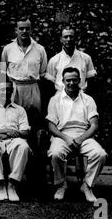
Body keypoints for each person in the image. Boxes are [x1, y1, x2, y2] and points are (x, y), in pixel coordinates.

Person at [46, 67, 107, 202]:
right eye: (68, 80)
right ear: (63, 81)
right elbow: (51, 125)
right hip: (62, 135)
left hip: (84, 135)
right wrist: (66, 138)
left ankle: (87, 186)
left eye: (74, 80)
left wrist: (80, 139)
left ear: (80, 80)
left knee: (100, 154)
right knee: (56, 153)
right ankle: (61, 185)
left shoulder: (88, 99)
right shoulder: (55, 100)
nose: (71, 83)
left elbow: (94, 125)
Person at [0, 81, 31, 202]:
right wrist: (5, 131)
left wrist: (12, 133)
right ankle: (0, 185)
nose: (6, 92)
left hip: (14, 139)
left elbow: (25, 132)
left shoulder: (20, 110)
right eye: (3, 90)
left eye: (9, 90)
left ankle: (12, 184)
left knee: (23, 146)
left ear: (12, 91)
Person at [1, 16, 47, 129]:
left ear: (31, 30)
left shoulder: (40, 49)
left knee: (33, 120)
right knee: (12, 119)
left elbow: (42, 72)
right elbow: (2, 72)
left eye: (27, 28)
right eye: (21, 28)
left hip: (32, 88)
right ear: (16, 30)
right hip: (14, 88)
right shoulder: (8, 49)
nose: (24, 31)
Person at [45, 27, 97, 93]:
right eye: (65, 37)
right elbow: (50, 83)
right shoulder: (54, 60)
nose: (68, 39)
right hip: (60, 99)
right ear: (61, 39)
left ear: (75, 38)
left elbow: (91, 80)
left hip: (81, 97)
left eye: (71, 37)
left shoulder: (86, 58)